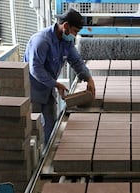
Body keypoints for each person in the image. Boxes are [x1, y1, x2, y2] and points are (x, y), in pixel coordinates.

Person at [24, 8, 95, 145]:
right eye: (74, 31)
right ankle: (34, 161)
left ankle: (46, 152)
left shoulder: (66, 41)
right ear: (66, 26)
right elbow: (35, 69)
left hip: (48, 90)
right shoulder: (41, 41)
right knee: (32, 130)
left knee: (51, 126)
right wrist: (56, 84)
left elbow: (76, 61)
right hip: (33, 91)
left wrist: (88, 78)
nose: (74, 36)